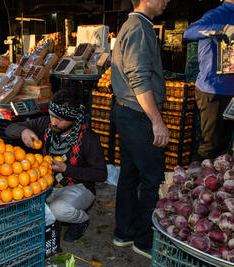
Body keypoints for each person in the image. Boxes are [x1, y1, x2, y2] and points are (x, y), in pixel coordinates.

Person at [5, 89, 107, 242]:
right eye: (52, 116)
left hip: (78, 187)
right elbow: (9, 129)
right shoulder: (45, 124)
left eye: (60, 119)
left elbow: (101, 174)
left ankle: (82, 220)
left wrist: (67, 169)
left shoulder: (88, 138)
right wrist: (24, 131)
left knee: (59, 210)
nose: (54, 122)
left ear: (73, 118)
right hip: (48, 185)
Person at [110, 0, 170, 259]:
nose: (167, 1)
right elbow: (139, 78)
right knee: (151, 179)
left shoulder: (133, 24)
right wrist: (157, 120)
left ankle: (125, 232)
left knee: (129, 175)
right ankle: (144, 240)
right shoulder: (140, 29)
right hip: (138, 115)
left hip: (128, 112)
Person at [183, 0, 234, 161]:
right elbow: (189, 32)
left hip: (231, 93)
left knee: (224, 147)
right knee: (210, 146)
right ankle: (196, 181)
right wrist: (222, 29)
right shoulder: (216, 15)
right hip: (213, 91)